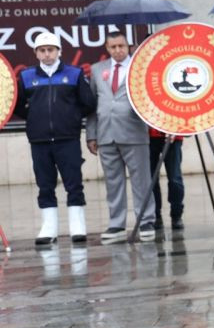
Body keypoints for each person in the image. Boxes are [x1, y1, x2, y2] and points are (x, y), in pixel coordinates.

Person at [14, 31, 97, 246]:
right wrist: (34, 118)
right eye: (42, 50)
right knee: (45, 185)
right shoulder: (26, 77)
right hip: (40, 141)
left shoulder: (75, 73)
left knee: (73, 184)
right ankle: (48, 228)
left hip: (67, 138)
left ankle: (77, 227)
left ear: (59, 51)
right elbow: (17, 105)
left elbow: (88, 103)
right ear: (36, 53)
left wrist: (70, 117)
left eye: (51, 50)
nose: (47, 54)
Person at [87, 30, 157, 242]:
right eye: (113, 47)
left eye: (121, 46)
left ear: (128, 46)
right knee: (112, 181)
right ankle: (116, 224)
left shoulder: (139, 68)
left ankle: (146, 220)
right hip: (106, 133)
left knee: (141, 180)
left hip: (133, 131)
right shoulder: (97, 70)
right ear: (107, 48)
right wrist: (92, 134)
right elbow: (92, 104)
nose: (117, 51)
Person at [147, 128, 184, 231]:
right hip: (149, 135)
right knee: (151, 178)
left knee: (175, 178)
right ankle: (156, 215)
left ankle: (176, 214)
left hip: (173, 135)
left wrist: (175, 130)